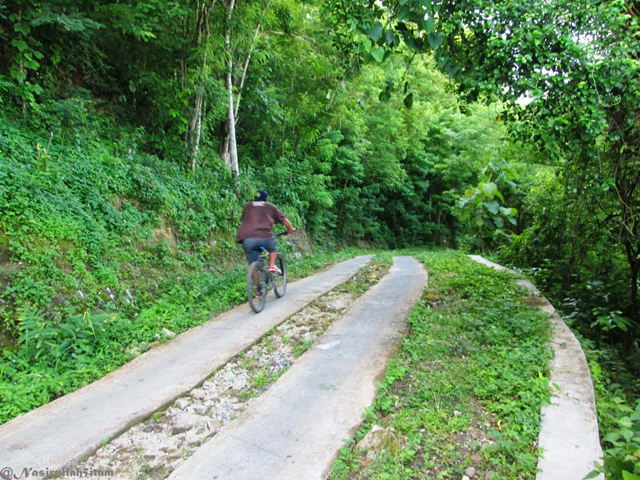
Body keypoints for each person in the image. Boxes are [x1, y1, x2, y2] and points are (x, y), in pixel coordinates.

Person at [236, 189, 295, 274]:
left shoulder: (248, 206)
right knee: (273, 247)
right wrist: (291, 229)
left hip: (247, 239)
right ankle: (272, 265)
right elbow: (284, 220)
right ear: (266, 199)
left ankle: (257, 286)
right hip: (265, 237)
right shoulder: (270, 207)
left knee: (252, 265)